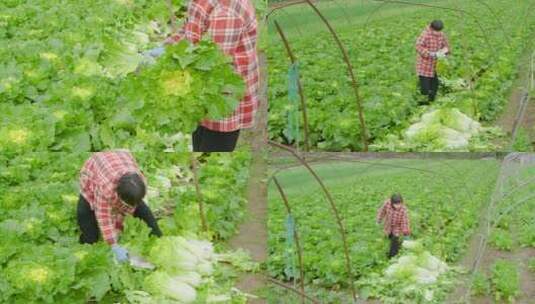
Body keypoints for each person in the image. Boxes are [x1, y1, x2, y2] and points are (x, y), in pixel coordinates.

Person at [148, 0, 259, 152]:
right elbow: (190, 31)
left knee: (215, 145)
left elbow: (213, 61)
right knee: (199, 140)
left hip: (223, 96)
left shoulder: (225, 13)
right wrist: (166, 48)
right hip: (203, 89)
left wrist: (173, 66)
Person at [77, 151, 162, 263]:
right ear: (117, 192)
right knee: (86, 217)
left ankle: (159, 237)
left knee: (141, 209)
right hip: (95, 166)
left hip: (120, 160)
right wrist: (114, 245)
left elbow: (136, 204)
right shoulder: (105, 188)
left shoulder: (140, 182)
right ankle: (86, 243)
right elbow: (104, 218)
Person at [415, 20, 450, 105]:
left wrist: (444, 52)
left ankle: (432, 101)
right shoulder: (425, 34)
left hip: (435, 64)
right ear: (431, 28)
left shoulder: (441, 34)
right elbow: (418, 46)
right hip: (424, 64)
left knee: (435, 84)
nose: (437, 34)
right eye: (435, 31)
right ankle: (423, 103)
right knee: (425, 87)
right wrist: (430, 53)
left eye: (439, 31)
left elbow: (446, 45)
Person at [376, 193, 411, 258]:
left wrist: (406, 233)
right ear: (392, 203)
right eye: (396, 204)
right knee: (390, 236)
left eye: (399, 204)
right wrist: (379, 220)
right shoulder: (387, 203)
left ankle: (392, 256)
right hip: (388, 224)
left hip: (397, 226)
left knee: (395, 239)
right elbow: (382, 211)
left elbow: (405, 221)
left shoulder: (404, 209)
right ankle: (394, 241)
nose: (398, 206)